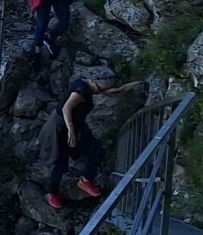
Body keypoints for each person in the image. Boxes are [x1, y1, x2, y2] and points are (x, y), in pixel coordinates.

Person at [38, 77, 142, 209]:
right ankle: (52, 193)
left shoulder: (92, 88)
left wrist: (136, 83)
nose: (102, 90)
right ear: (95, 80)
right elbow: (66, 108)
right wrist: (70, 130)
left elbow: (115, 91)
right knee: (60, 160)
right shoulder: (81, 89)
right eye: (102, 87)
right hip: (60, 127)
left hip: (77, 126)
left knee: (96, 149)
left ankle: (86, 180)